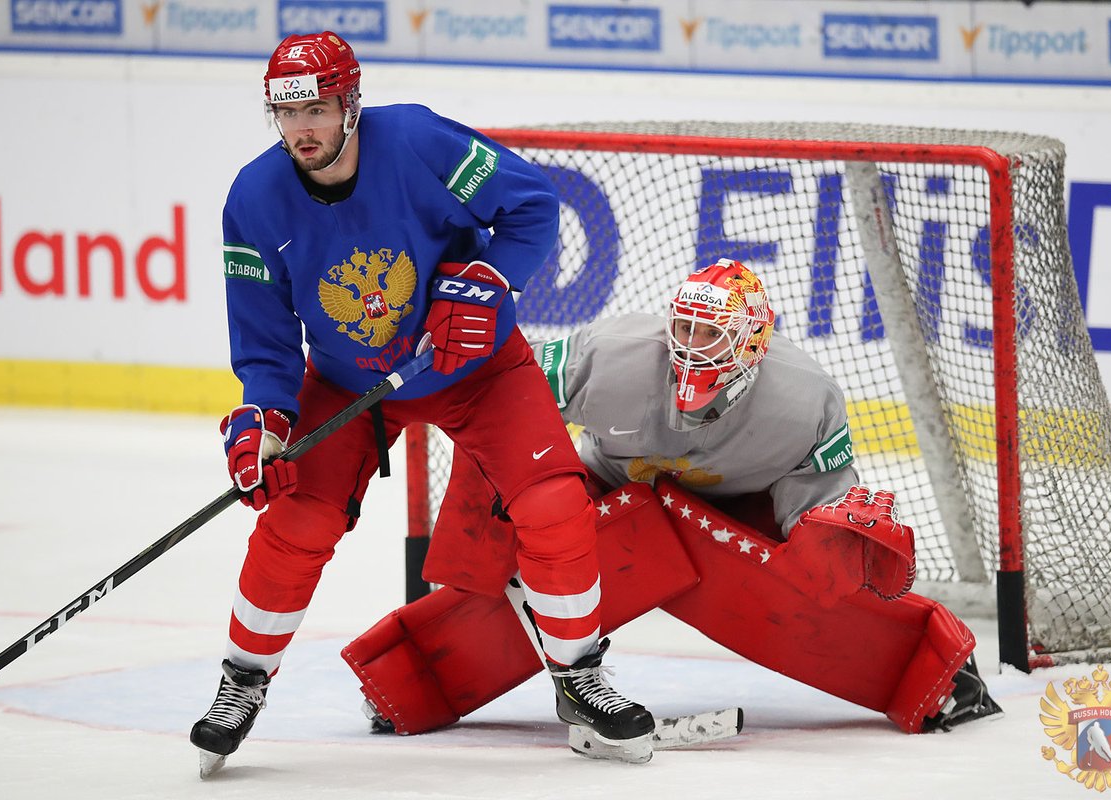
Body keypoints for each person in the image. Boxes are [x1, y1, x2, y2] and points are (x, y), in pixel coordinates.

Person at [190, 31, 654, 776]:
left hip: (478, 367)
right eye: (287, 113)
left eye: (317, 109)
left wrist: (489, 279)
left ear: (351, 104)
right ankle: (242, 682)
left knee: (554, 504)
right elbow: (266, 338)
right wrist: (267, 424)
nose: (302, 129)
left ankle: (579, 675)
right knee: (296, 520)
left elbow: (533, 206)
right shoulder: (253, 198)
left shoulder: (416, 141)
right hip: (349, 386)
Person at [344, 258, 1003, 739]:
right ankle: (409, 678)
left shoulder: (807, 400)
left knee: (800, 581)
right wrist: (479, 552)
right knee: (551, 545)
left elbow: (810, 510)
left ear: (752, 341)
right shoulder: (612, 353)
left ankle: (938, 676)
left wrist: (828, 534)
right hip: (609, 484)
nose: (689, 346)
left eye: (709, 334)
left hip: (732, 508)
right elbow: (501, 406)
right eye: (682, 328)